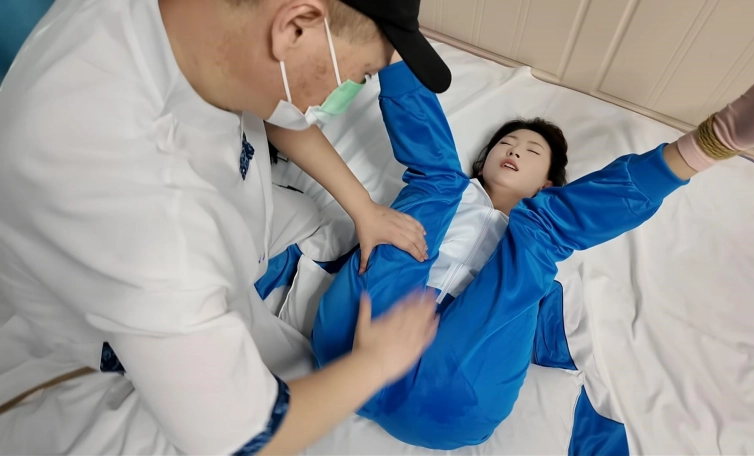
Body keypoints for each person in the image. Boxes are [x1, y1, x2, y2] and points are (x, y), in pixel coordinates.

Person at [312, 33, 754, 450]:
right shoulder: (452, 190)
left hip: (451, 395)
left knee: (538, 236)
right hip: (350, 341)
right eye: (505, 144)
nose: (513, 151)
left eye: (532, 151)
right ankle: (388, 40)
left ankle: (717, 139)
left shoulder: (536, 236)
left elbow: (552, 349)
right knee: (436, 181)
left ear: (548, 184)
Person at [0, 0, 452, 454]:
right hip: (120, 354)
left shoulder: (208, 29)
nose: (350, 90)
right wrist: (378, 363)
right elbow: (247, 438)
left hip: (231, 226)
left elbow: (275, 99)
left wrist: (363, 208)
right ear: (296, 26)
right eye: (363, 75)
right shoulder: (145, 212)